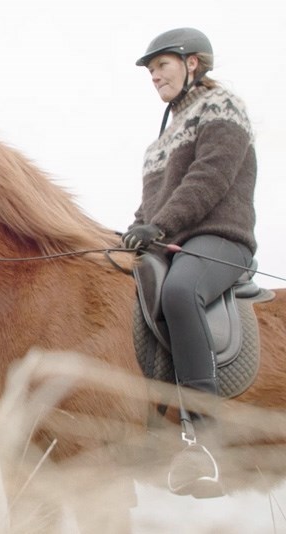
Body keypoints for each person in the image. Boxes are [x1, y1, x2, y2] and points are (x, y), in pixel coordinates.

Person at [122, 28, 256, 498]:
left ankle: (206, 443)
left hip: (220, 239)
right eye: (151, 68)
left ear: (193, 63)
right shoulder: (158, 142)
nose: (154, 73)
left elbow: (210, 178)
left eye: (162, 63)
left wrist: (160, 228)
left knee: (181, 292)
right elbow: (149, 208)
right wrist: (134, 234)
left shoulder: (222, 107)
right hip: (172, 244)